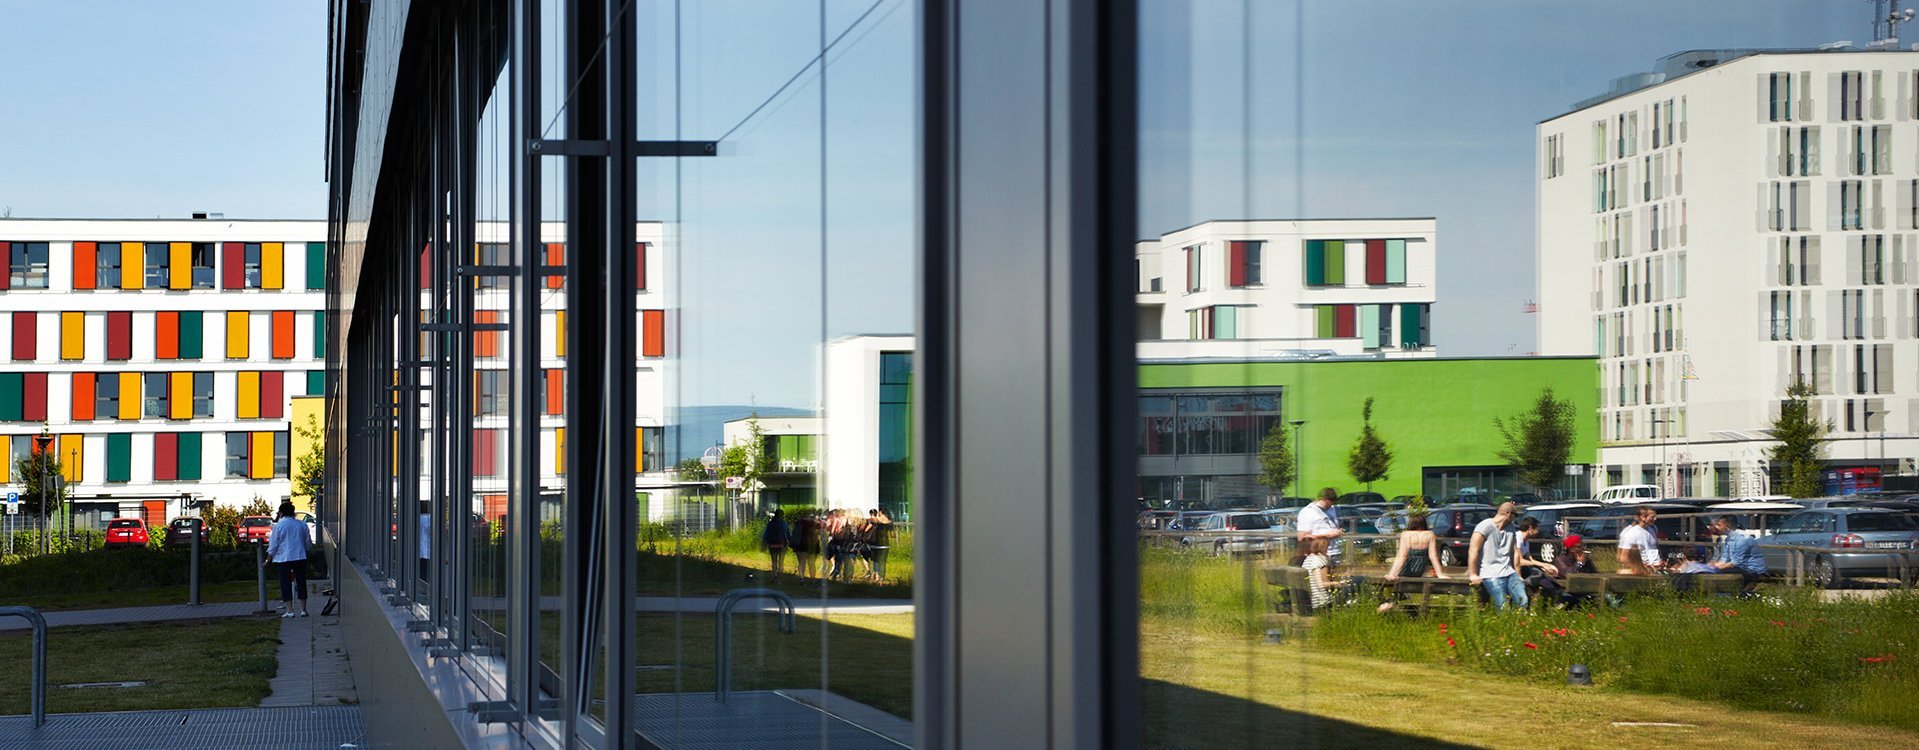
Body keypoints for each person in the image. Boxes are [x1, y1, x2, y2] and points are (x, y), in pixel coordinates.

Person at [1467, 501, 1527, 610]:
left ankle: (1521, 625)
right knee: (1503, 606)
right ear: (1508, 514)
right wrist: (1473, 574)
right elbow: (1473, 550)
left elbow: (1514, 552)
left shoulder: (1511, 528)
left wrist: (1518, 574)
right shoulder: (1485, 526)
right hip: (1490, 573)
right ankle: (1505, 625)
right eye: (1515, 515)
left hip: (1509, 572)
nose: (1516, 518)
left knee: (1523, 600)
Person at [267, 501, 311, 618]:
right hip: (300, 556)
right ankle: (303, 609)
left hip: (283, 558)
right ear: (293, 513)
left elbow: (273, 545)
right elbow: (308, 543)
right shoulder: (302, 525)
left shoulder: (278, 526)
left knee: (285, 583)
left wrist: (268, 559)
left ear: (281, 513)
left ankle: (290, 610)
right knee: (301, 582)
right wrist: (306, 550)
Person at [1299, 536, 1362, 609]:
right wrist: (1339, 584)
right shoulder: (1321, 561)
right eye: (1327, 546)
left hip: (1312, 599)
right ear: (1322, 547)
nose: (1327, 549)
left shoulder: (1308, 560)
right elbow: (1322, 584)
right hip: (1323, 602)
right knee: (1360, 579)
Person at [1707, 515, 1768, 590]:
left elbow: (1735, 563)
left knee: (1718, 573)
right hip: (1741, 568)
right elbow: (1724, 559)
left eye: (1719, 525)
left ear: (1727, 526)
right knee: (1710, 571)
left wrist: (1714, 569)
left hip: (1752, 571)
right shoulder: (1728, 539)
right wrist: (1708, 567)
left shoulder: (1741, 539)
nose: (1717, 527)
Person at [1383, 513, 1447, 581]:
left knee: (1397, 561)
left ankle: (1393, 574)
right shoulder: (1430, 534)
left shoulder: (1406, 534)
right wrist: (1440, 574)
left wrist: (1392, 573)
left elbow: (1402, 555)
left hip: (1406, 568)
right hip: (1419, 569)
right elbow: (1433, 556)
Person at [1550, 534, 1600, 608]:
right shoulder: (1560, 560)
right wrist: (1579, 563)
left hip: (1585, 591)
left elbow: (1595, 574)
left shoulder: (1586, 561)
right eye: (1579, 547)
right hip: (1567, 592)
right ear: (1571, 548)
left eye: (1582, 546)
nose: (1582, 549)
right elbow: (1568, 575)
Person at [1616, 506, 1663, 575]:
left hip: (1656, 567)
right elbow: (1623, 557)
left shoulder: (1653, 530)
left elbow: (1655, 548)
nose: (1655, 519)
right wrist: (1639, 567)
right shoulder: (1632, 533)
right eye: (1652, 517)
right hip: (1643, 569)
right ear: (1643, 517)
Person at [863, 508, 893, 581]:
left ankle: (877, 576)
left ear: (880, 512)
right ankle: (882, 578)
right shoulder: (890, 522)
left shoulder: (875, 520)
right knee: (883, 562)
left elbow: (867, 526)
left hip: (876, 543)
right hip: (885, 543)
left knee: (875, 561)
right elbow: (893, 535)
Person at [762, 509, 793, 577]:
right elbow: (788, 534)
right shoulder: (784, 523)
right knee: (781, 561)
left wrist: (764, 544)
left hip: (772, 544)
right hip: (782, 544)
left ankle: (774, 574)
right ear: (782, 515)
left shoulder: (771, 523)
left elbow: (766, 534)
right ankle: (780, 576)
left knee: (774, 561)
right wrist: (791, 542)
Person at [792, 512, 822, 579]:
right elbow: (819, 534)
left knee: (802, 562)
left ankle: (801, 579)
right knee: (812, 563)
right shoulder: (816, 523)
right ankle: (812, 579)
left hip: (801, 544)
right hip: (813, 545)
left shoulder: (800, 522)